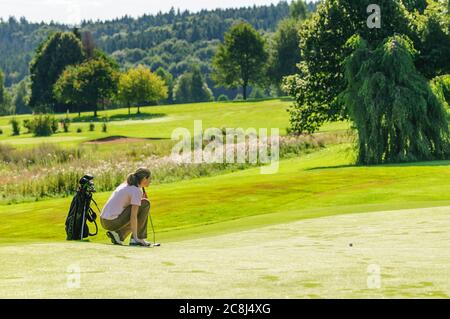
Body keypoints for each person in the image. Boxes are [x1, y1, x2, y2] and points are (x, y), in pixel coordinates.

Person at [100, 167, 152, 247]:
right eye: (150, 179)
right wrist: (136, 237)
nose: (150, 181)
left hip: (104, 220)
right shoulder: (136, 190)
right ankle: (136, 238)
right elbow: (133, 216)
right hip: (111, 222)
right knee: (145, 203)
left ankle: (118, 235)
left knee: (141, 204)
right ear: (145, 178)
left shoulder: (126, 184)